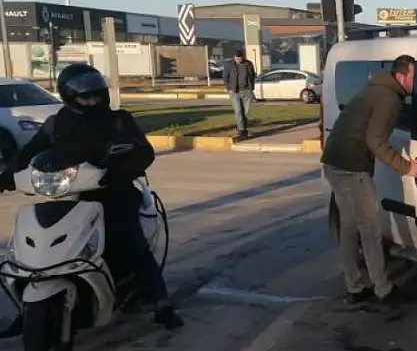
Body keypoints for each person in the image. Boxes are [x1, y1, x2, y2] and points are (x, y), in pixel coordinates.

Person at [0, 64, 183, 329]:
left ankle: (160, 303)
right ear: (70, 97)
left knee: (131, 242)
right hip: (70, 194)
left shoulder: (118, 120)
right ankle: (28, 309)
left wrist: (118, 171)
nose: (94, 101)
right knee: (38, 243)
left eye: (97, 95)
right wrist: (7, 175)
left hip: (115, 192)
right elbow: (31, 150)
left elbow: (144, 153)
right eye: (87, 97)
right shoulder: (58, 123)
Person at [321, 54, 417, 305]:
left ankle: (354, 286)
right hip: (351, 167)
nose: (416, 82)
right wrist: (406, 167)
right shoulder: (390, 99)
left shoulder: (375, 87)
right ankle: (383, 289)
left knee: (349, 226)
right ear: (401, 76)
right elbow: (375, 141)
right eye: (414, 77)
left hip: (333, 161)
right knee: (370, 230)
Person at [221, 50, 256, 139]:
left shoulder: (248, 64)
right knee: (238, 111)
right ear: (234, 57)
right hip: (235, 91)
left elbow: (252, 76)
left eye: (240, 58)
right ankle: (241, 130)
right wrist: (229, 89)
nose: (238, 59)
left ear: (243, 57)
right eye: (237, 58)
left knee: (246, 112)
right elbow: (225, 77)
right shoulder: (229, 65)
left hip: (246, 91)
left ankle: (242, 128)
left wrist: (252, 88)